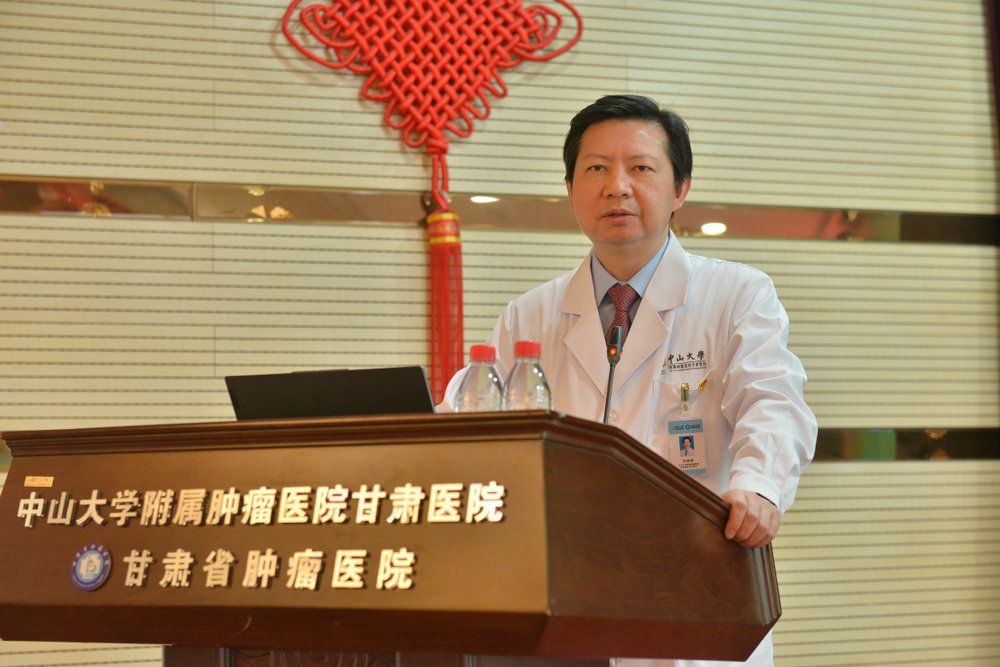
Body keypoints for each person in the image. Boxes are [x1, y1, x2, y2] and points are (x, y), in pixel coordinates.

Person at [442, 94, 817, 667]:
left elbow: (773, 400)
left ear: (680, 188)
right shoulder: (528, 315)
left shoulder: (737, 294)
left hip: (692, 590)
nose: (616, 186)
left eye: (641, 167)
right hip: (564, 600)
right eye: (596, 168)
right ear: (570, 190)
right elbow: (469, 424)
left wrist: (760, 486)